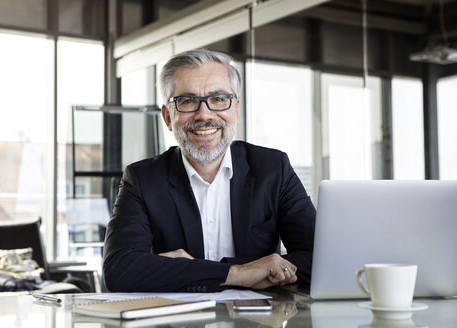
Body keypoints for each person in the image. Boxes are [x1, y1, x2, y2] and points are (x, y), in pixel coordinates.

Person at [103, 49, 316, 292]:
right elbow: (119, 270)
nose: (204, 114)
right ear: (167, 117)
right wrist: (238, 273)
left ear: (235, 108)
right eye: (187, 101)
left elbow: (320, 259)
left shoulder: (273, 169)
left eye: (218, 99)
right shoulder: (142, 179)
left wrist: (190, 272)